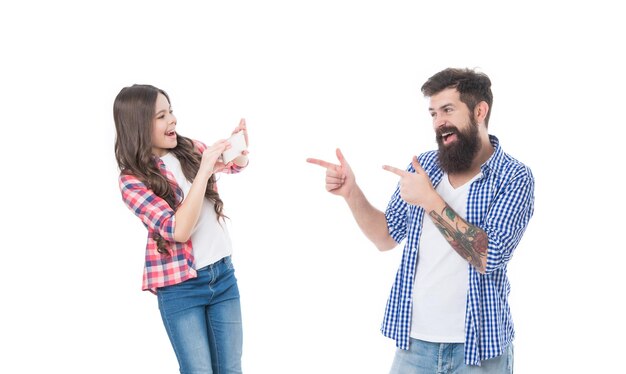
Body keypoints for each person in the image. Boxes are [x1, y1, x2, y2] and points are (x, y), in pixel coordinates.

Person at [307, 68, 534, 373]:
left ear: (480, 111)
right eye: (433, 113)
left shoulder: (514, 177)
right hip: (415, 347)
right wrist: (352, 192)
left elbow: (487, 255)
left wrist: (431, 201)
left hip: (481, 350)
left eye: (448, 110)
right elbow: (385, 237)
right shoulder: (423, 166)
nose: (439, 122)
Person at [113, 84, 249, 374]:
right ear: (138, 125)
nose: (173, 120)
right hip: (180, 288)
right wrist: (204, 171)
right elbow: (178, 230)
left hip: (223, 276)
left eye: (171, 111)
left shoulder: (189, 149)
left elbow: (235, 166)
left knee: (231, 369)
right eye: (161, 116)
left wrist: (237, 148)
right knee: (199, 370)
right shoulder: (132, 181)